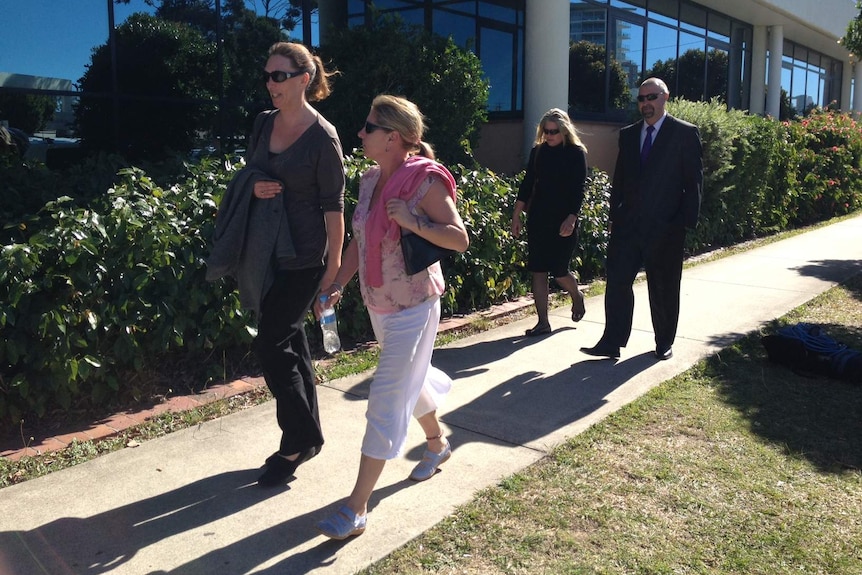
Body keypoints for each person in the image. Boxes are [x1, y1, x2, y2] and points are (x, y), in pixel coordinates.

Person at [313, 95, 469, 540]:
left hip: (416, 306)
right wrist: (337, 284)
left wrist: (414, 222)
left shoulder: (423, 182)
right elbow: (360, 242)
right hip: (379, 303)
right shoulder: (369, 179)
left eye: (368, 127)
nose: (360, 134)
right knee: (410, 380)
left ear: (392, 138)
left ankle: (355, 507)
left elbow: (458, 239)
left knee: (386, 394)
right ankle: (437, 444)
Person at [206, 42, 345, 486]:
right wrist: (255, 185)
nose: (270, 84)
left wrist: (334, 266)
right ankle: (309, 436)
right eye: (267, 76)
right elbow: (250, 170)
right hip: (266, 249)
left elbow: (334, 208)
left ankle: (296, 441)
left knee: (271, 341)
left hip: (305, 257)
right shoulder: (263, 123)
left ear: (304, 79)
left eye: (279, 76)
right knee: (291, 339)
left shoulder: (323, 137)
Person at [581, 77, 702, 361]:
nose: (646, 103)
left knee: (663, 286)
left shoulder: (684, 133)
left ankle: (663, 342)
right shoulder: (629, 134)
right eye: (642, 99)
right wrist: (614, 215)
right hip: (628, 225)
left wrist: (685, 223)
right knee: (618, 281)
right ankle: (612, 341)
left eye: (652, 97)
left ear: (665, 97)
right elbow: (620, 178)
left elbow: (693, 181)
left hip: (666, 228)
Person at [511, 108, 588, 336]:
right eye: (546, 131)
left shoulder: (575, 153)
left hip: (564, 218)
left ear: (564, 131)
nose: (549, 135)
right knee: (538, 270)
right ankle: (543, 322)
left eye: (554, 131)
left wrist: (572, 217)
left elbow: (579, 189)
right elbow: (527, 185)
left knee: (559, 269)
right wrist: (517, 215)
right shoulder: (538, 152)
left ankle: (576, 295)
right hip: (539, 217)